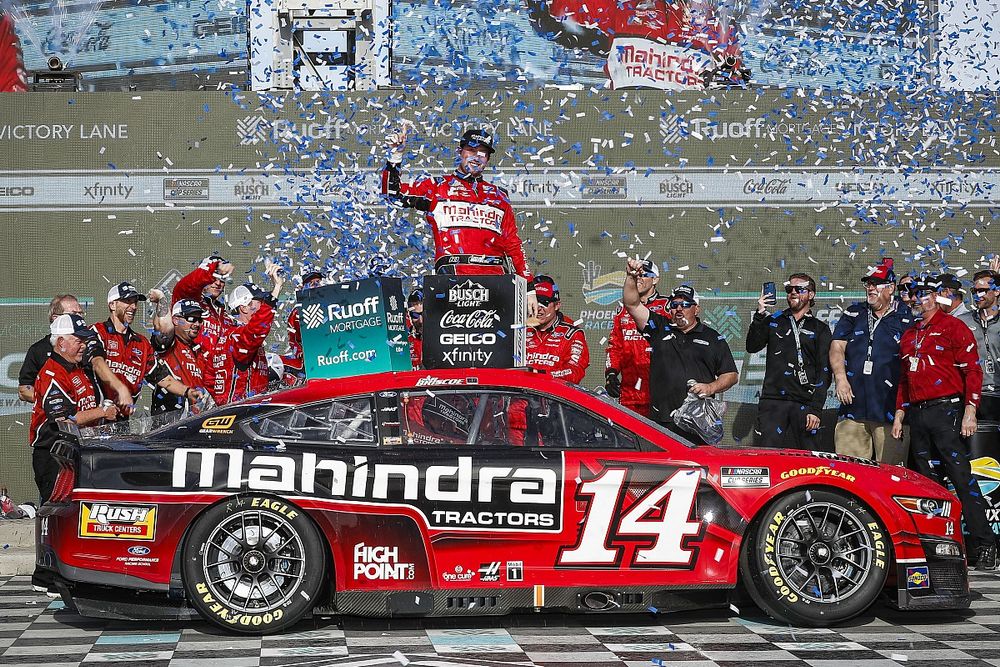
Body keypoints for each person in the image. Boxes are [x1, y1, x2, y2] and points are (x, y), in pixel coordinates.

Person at [892, 276, 995, 569]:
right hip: (918, 414)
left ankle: (985, 544)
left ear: (937, 297)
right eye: (913, 295)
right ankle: (939, 545)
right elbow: (903, 379)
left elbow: (973, 372)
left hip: (947, 411)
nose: (916, 299)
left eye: (923, 294)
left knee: (961, 478)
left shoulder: (954, 327)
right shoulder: (909, 334)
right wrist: (900, 413)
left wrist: (970, 410)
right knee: (927, 485)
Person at [382, 126, 537, 317]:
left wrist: (529, 288)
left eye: (483, 153)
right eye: (471, 150)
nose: (477, 156)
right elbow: (393, 195)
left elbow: (513, 244)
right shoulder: (437, 187)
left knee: (495, 345)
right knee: (452, 345)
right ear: (460, 151)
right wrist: (395, 156)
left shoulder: (499, 196)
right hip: (453, 282)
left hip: (497, 284)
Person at [29, 313, 118, 592]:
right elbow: (65, 420)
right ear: (61, 341)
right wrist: (102, 413)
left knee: (71, 514)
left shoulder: (78, 369)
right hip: (52, 453)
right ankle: (45, 577)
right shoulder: (53, 372)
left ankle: (68, 573)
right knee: (55, 514)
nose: (83, 345)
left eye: (84, 340)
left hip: (73, 453)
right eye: (78, 340)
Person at [622, 260, 738, 442]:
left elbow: (731, 374)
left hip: (697, 420)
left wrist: (710, 387)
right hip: (661, 421)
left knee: (699, 469)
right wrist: (630, 276)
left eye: (685, 305)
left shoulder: (713, 338)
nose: (679, 309)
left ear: (696, 308)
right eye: (674, 304)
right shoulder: (659, 327)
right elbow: (632, 305)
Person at [527, 0, 750, 90]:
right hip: (628, 121)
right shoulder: (622, 5)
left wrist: (729, 80)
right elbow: (552, 16)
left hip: (691, 132)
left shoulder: (714, 21)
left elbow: (736, 81)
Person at [830, 259, 914, 464]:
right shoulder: (854, 312)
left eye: (876, 283)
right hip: (853, 408)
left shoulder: (908, 315)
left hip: (890, 410)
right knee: (849, 473)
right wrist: (840, 379)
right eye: (868, 283)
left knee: (890, 473)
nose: (871, 288)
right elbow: (837, 346)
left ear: (891, 287)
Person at [746, 273, 832, 449]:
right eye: (789, 289)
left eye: (799, 289)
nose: (793, 292)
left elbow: (825, 370)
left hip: (805, 403)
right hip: (773, 402)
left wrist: (816, 409)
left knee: (809, 460)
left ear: (811, 294)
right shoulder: (774, 320)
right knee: (768, 457)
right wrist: (760, 314)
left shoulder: (820, 328)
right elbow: (752, 346)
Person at [93, 282, 202, 413]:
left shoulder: (142, 343)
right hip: (94, 417)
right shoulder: (98, 331)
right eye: (127, 301)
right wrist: (121, 389)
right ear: (112, 305)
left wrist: (187, 391)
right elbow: (97, 363)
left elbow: (162, 378)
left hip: (121, 420)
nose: (133, 307)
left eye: (135, 302)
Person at [18, 294, 131, 411]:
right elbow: (23, 390)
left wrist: (118, 391)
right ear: (56, 319)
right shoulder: (38, 350)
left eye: (80, 313)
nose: (79, 318)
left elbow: (98, 364)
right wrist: (56, 401)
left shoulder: (90, 342)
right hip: (59, 421)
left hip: (95, 420)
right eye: (73, 314)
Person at [207, 265, 283, 404]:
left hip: (244, 411)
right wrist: (276, 290)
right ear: (243, 307)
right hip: (240, 412)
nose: (263, 305)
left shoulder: (230, 334)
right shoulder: (236, 335)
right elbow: (256, 331)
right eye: (259, 302)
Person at [605, 258, 669, 416]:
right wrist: (611, 373)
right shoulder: (623, 312)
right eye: (637, 274)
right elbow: (615, 347)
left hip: (662, 393)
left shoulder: (668, 307)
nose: (639, 277)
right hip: (630, 393)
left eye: (644, 274)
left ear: (655, 279)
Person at [151, 300, 213, 415]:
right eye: (191, 319)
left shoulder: (199, 352)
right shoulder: (169, 343)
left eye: (199, 320)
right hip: (169, 420)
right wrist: (161, 298)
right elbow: (163, 327)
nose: (197, 324)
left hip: (195, 421)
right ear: (175, 320)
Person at [525, 276, 590, 383]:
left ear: (557, 305)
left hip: (553, 396)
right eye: (535, 302)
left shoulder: (572, 334)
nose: (539, 308)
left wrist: (540, 374)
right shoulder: (521, 331)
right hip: (523, 395)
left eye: (544, 302)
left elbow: (574, 372)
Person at [958, 268, 1000, 419]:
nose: (977, 295)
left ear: (996, 291)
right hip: (971, 396)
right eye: (974, 291)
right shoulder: (962, 321)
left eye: (982, 290)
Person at [170, 255, 236, 349]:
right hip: (191, 360)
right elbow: (189, 284)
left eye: (222, 279)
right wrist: (214, 267)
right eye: (214, 277)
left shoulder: (225, 316)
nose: (218, 283)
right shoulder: (188, 299)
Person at [282, 268, 326, 377]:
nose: (315, 286)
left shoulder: (334, 304)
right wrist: (301, 352)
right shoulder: (296, 313)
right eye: (311, 283)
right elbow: (293, 340)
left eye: (318, 282)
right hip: (313, 360)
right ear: (303, 288)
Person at [407, 288, 424, 370]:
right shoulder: (404, 340)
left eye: (424, 314)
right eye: (415, 315)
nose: (420, 320)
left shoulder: (446, 339)